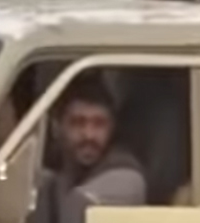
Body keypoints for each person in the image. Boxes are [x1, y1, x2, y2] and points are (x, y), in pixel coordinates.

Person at [47, 75, 148, 206]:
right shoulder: (51, 174)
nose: (89, 135)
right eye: (78, 123)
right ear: (56, 127)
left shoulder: (124, 175)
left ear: (112, 127)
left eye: (99, 124)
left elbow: (78, 209)